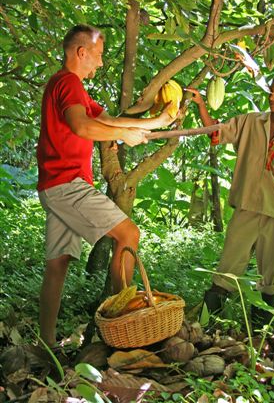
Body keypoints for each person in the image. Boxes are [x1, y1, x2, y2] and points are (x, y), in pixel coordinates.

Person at [37, 24, 177, 347]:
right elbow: (83, 126)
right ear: (80, 52)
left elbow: (109, 121)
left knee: (57, 266)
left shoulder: (74, 90)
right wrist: (121, 135)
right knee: (129, 235)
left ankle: (45, 346)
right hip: (67, 184)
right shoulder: (68, 83)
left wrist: (155, 123)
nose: (100, 63)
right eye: (97, 56)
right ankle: (123, 326)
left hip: (54, 187)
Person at [187, 75, 274, 325]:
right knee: (225, 272)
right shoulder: (250, 122)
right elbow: (215, 132)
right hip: (246, 208)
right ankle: (203, 328)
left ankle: (260, 338)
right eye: (271, 92)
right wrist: (201, 104)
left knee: (271, 282)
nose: (272, 97)